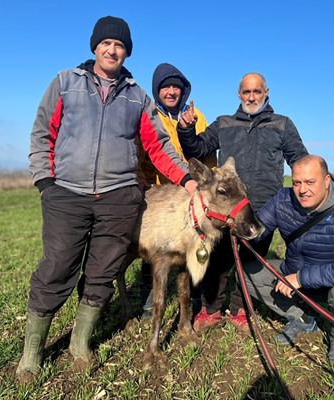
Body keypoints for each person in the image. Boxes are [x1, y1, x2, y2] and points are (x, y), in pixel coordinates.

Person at [17, 16, 197, 382]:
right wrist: (45, 181)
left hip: (118, 199)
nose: (112, 50)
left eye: (120, 45)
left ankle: (80, 343)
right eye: (106, 44)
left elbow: (159, 147)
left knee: (102, 274)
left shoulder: (136, 97)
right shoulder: (66, 83)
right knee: (56, 268)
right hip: (66, 194)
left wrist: (188, 179)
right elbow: (42, 133)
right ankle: (31, 353)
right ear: (95, 47)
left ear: (126, 52)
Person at [177, 72, 308, 331]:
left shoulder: (282, 125)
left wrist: (311, 187)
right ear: (239, 94)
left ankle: (240, 308)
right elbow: (197, 149)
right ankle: (211, 308)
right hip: (225, 209)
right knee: (218, 259)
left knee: (251, 260)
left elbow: (299, 160)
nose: (251, 97)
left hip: (263, 208)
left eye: (256, 92)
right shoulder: (224, 124)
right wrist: (186, 129)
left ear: (266, 93)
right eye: (246, 92)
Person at [242, 154, 334, 364]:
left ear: (326, 180)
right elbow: (258, 229)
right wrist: (236, 227)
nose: (303, 190)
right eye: (297, 183)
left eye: (310, 182)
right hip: (294, 272)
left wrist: (302, 278)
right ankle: (302, 317)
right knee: (245, 274)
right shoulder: (282, 200)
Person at [137, 63, 216, 319]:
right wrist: (144, 188)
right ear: (156, 90)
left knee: (194, 246)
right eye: (165, 87)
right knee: (154, 249)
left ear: (183, 90)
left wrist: (208, 189)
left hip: (191, 193)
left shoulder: (197, 116)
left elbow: (206, 154)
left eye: (176, 87)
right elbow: (144, 156)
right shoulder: (149, 116)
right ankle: (149, 298)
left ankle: (194, 296)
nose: (171, 92)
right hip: (160, 193)